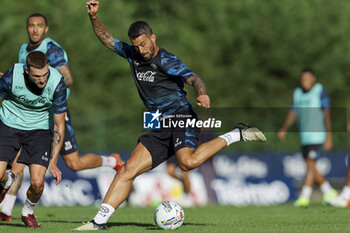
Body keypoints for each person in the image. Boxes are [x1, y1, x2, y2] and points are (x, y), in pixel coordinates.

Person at [74, 1, 267, 230]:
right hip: (160, 125)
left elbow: (195, 79)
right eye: (137, 46)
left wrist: (202, 94)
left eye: (144, 44)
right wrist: (94, 17)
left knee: (188, 163)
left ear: (153, 38)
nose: (141, 50)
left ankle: (236, 134)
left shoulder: (166, 61)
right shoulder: (133, 55)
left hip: (182, 115)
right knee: (127, 170)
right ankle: (98, 222)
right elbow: (107, 38)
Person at [0, 13, 124, 222]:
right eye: (31, 26)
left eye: (40, 26)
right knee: (17, 163)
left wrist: (49, 82)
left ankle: (112, 160)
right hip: (27, 116)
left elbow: (68, 78)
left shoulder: (52, 49)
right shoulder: (24, 49)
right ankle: (7, 211)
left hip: (53, 111)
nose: (35, 30)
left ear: (46, 29)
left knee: (74, 163)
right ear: (27, 28)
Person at [0, 51, 66, 227]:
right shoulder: (12, 75)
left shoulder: (57, 83)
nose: (42, 80)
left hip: (39, 130)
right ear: (27, 71)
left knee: (37, 184)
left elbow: (59, 125)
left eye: (45, 74)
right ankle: (6, 182)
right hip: (9, 124)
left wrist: (53, 161)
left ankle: (28, 212)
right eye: (37, 76)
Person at [278, 67, 337, 207]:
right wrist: (284, 128)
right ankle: (329, 192)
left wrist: (329, 135)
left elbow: (327, 113)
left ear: (313, 79)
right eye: (303, 79)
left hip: (317, 134)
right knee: (311, 165)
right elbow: (293, 112)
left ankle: (304, 197)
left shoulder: (319, 91)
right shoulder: (297, 93)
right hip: (304, 136)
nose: (305, 81)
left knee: (310, 165)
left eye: (308, 78)